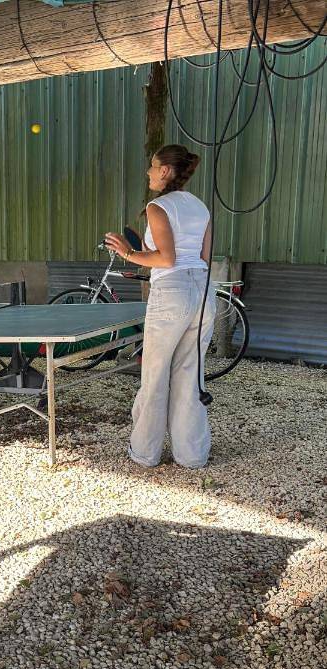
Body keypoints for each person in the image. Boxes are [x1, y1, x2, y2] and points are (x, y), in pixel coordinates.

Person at [104, 145, 216, 469]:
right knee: (190, 373)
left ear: (165, 170)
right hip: (204, 292)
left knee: (155, 374)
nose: (148, 172)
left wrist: (128, 252)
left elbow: (166, 259)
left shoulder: (157, 207)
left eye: (153, 166)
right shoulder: (201, 207)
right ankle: (192, 456)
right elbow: (203, 258)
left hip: (172, 293)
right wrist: (145, 248)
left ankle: (145, 453)